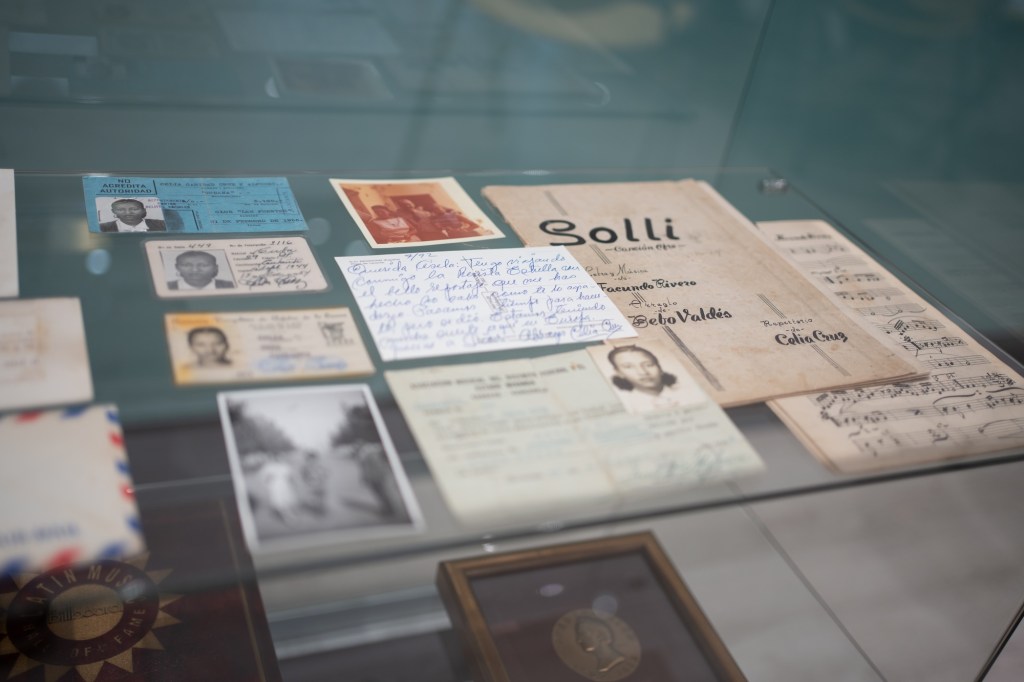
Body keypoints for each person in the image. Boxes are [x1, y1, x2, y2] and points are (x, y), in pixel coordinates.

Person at [607, 345, 687, 412]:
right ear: (619, 373)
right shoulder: (628, 406)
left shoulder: (688, 392)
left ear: (659, 368)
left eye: (648, 365)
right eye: (628, 367)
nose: (643, 372)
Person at [167, 250, 235, 290]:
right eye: (187, 265)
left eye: (203, 265)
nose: (195, 270)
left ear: (215, 268)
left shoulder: (230, 285)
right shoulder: (168, 286)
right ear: (177, 267)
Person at [99, 198, 166, 232]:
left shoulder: (162, 224)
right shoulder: (102, 228)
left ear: (143, 210)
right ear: (113, 211)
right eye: (121, 210)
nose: (128, 213)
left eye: (134, 209)